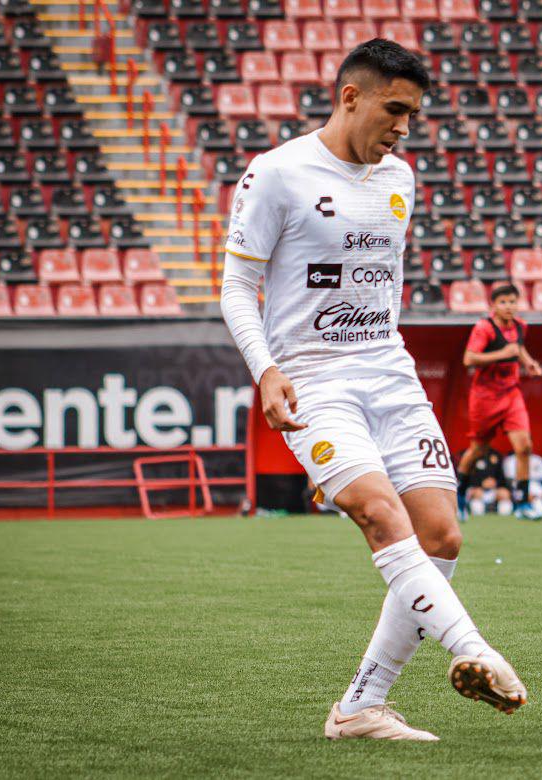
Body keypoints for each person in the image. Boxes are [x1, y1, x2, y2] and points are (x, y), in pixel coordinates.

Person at [219, 40, 525, 742]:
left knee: (443, 533)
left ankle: (360, 707)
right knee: (380, 514)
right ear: (349, 96)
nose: (404, 126)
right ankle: (473, 649)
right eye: (395, 109)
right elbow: (238, 285)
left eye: (414, 114)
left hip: (390, 374)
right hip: (313, 381)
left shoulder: (401, 179)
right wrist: (265, 367)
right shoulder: (277, 174)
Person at [454, 283, 542, 520]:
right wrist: (502, 355)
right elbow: (469, 359)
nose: (509, 306)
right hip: (485, 397)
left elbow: (518, 348)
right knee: (478, 450)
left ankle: (523, 504)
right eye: (503, 302)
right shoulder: (484, 328)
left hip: (511, 393)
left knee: (524, 447)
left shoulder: (520, 325)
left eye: (512, 301)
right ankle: (460, 496)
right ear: (493, 305)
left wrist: (528, 363)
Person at [463, 445, 512, 517]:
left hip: (494, 489)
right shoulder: (471, 455)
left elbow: (502, 477)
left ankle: (502, 520)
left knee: (504, 493)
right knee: (477, 494)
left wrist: (495, 483)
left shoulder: (496, 455)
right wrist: (481, 484)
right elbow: (466, 476)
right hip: (476, 488)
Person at [502, 449, 542, 518]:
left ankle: (532, 508)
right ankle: (522, 509)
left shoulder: (537, 459)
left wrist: (530, 476)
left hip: (537, 487)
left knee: (540, 507)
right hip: (517, 486)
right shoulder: (510, 460)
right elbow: (510, 477)